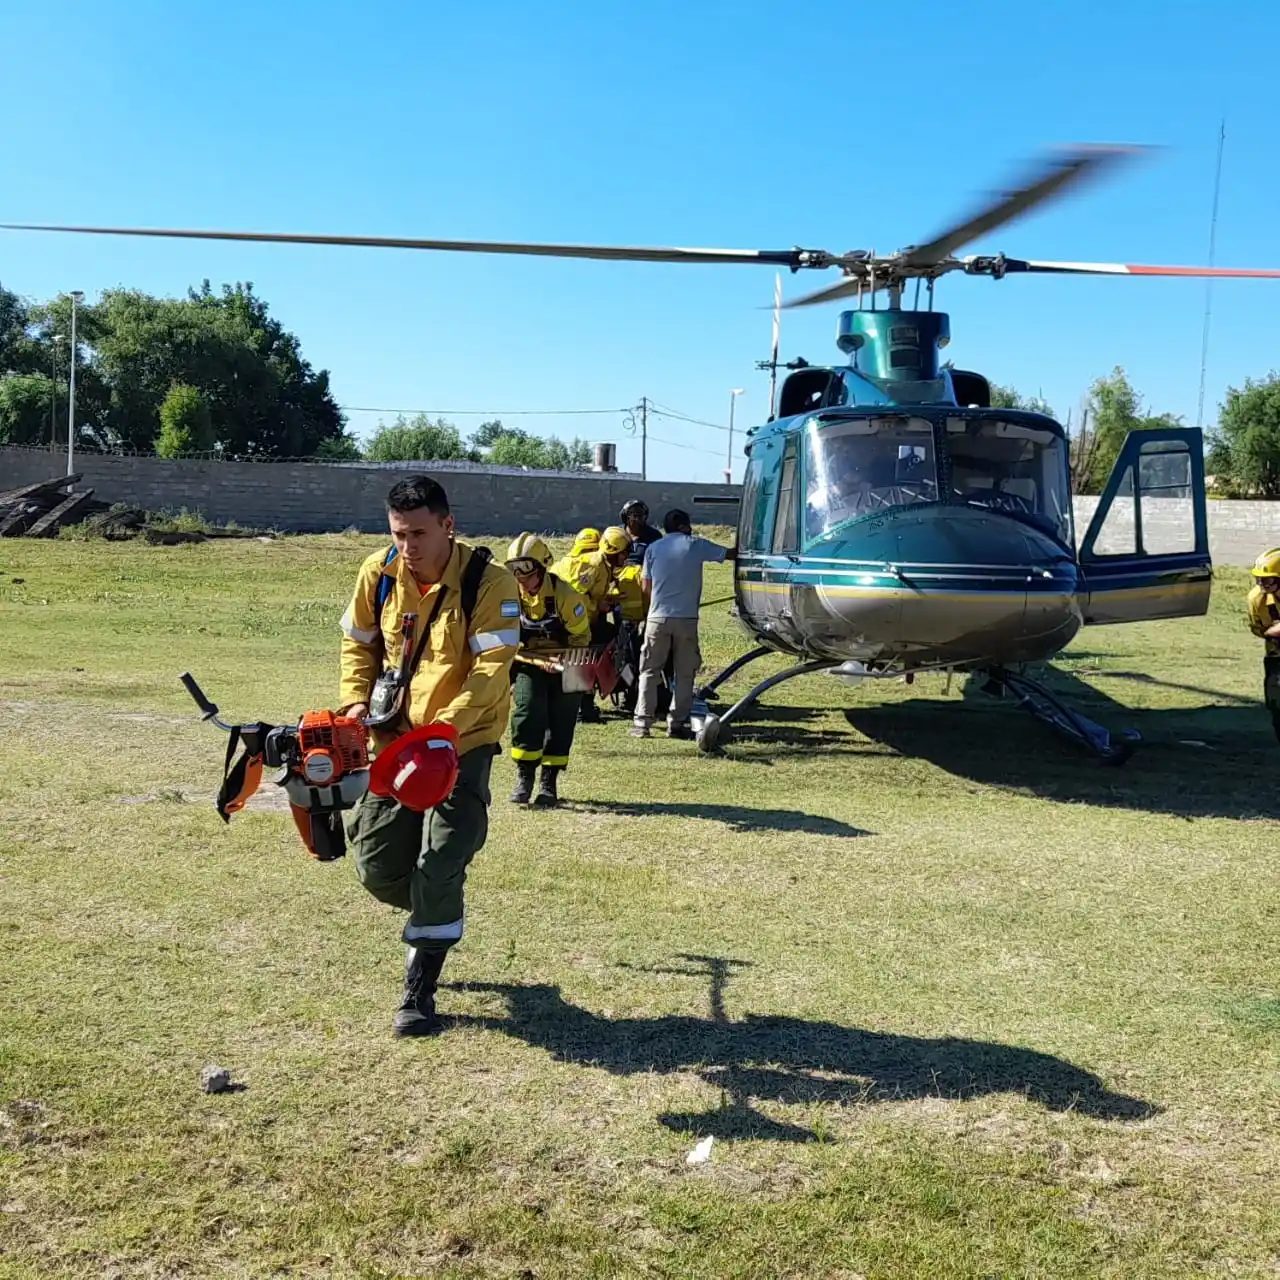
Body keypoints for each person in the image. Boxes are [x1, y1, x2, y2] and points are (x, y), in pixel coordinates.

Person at [338, 475, 521, 1038]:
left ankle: (421, 985)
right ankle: (434, 912)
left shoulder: (490, 583)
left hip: (459, 746)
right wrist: (352, 702)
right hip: (393, 745)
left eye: (418, 533)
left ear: (448, 525)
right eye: (398, 533)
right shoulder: (379, 573)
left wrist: (446, 727)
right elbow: (359, 644)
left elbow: (493, 671)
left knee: (441, 861)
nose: (408, 546)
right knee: (376, 868)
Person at [631, 509, 736, 739]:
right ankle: (676, 722)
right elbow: (728, 554)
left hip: (657, 617)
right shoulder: (695, 544)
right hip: (686, 618)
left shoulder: (653, 548)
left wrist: (651, 610)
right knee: (684, 672)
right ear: (684, 526)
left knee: (649, 670)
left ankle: (642, 723)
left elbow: (646, 586)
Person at [505, 532, 592, 804]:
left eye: (526, 571)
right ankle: (524, 776)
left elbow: (582, 638)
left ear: (542, 567)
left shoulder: (567, 595)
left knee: (563, 719)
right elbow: (505, 637)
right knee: (527, 710)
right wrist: (534, 659)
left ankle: (549, 783)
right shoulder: (509, 596)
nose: (521, 578)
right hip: (527, 662)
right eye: (514, 570)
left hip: (570, 660)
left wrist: (564, 662)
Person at [1246, 547, 1280, 743]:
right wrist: (1272, 631)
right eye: (1258, 579)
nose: (1261, 584)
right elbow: (1258, 629)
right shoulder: (1256, 599)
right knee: (1276, 705)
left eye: (1267, 580)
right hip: (1276, 656)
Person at [620, 499, 663, 568]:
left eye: (640, 516)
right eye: (634, 516)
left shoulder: (654, 536)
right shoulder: (617, 533)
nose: (637, 519)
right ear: (625, 517)